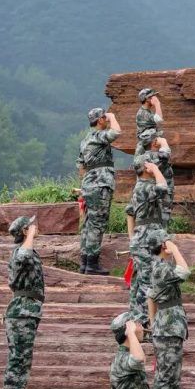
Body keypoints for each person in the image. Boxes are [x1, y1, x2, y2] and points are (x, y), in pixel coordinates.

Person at [0, 215, 44, 389]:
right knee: (18, 359)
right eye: (31, 226)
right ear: (25, 231)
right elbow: (24, 256)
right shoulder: (21, 251)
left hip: (27, 311)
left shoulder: (26, 250)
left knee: (23, 359)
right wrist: (31, 237)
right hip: (21, 312)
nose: (35, 227)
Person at [147, 234, 189, 389]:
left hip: (164, 327)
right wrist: (175, 249)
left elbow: (150, 296)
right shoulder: (162, 267)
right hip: (169, 329)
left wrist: (153, 323)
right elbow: (185, 271)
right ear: (163, 246)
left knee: (163, 377)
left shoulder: (157, 266)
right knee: (168, 378)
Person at [78, 104, 122, 275]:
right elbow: (116, 132)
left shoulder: (85, 140)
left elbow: (80, 165)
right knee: (97, 223)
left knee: (88, 224)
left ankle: (84, 262)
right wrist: (113, 117)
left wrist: (85, 185)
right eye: (104, 117)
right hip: (100, 185)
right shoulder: (98, 135)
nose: (106, 118)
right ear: (99, 120)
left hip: (89, 185)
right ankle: (92, 264)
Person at [125, 158, 170, 321]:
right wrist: (156, 170)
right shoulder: (145, 187)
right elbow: (163, 187)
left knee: (139, 281)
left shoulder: (138, 187)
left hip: (140, 238)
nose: (154, 165)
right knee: (148, 282)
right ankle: (144, 321)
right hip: (146, 240)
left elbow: (130, 213)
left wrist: (132, 239)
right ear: (146, 168)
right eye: (150, 163)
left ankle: (137, 316)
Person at [136, 127, 174, 223]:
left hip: (150, 196)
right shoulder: (152, 157)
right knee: (159, 223)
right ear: (154, 142)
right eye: (158, 138)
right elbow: (165, 155)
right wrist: (164, 142)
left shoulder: (141, 157)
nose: (160, 138)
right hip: (158, 196)